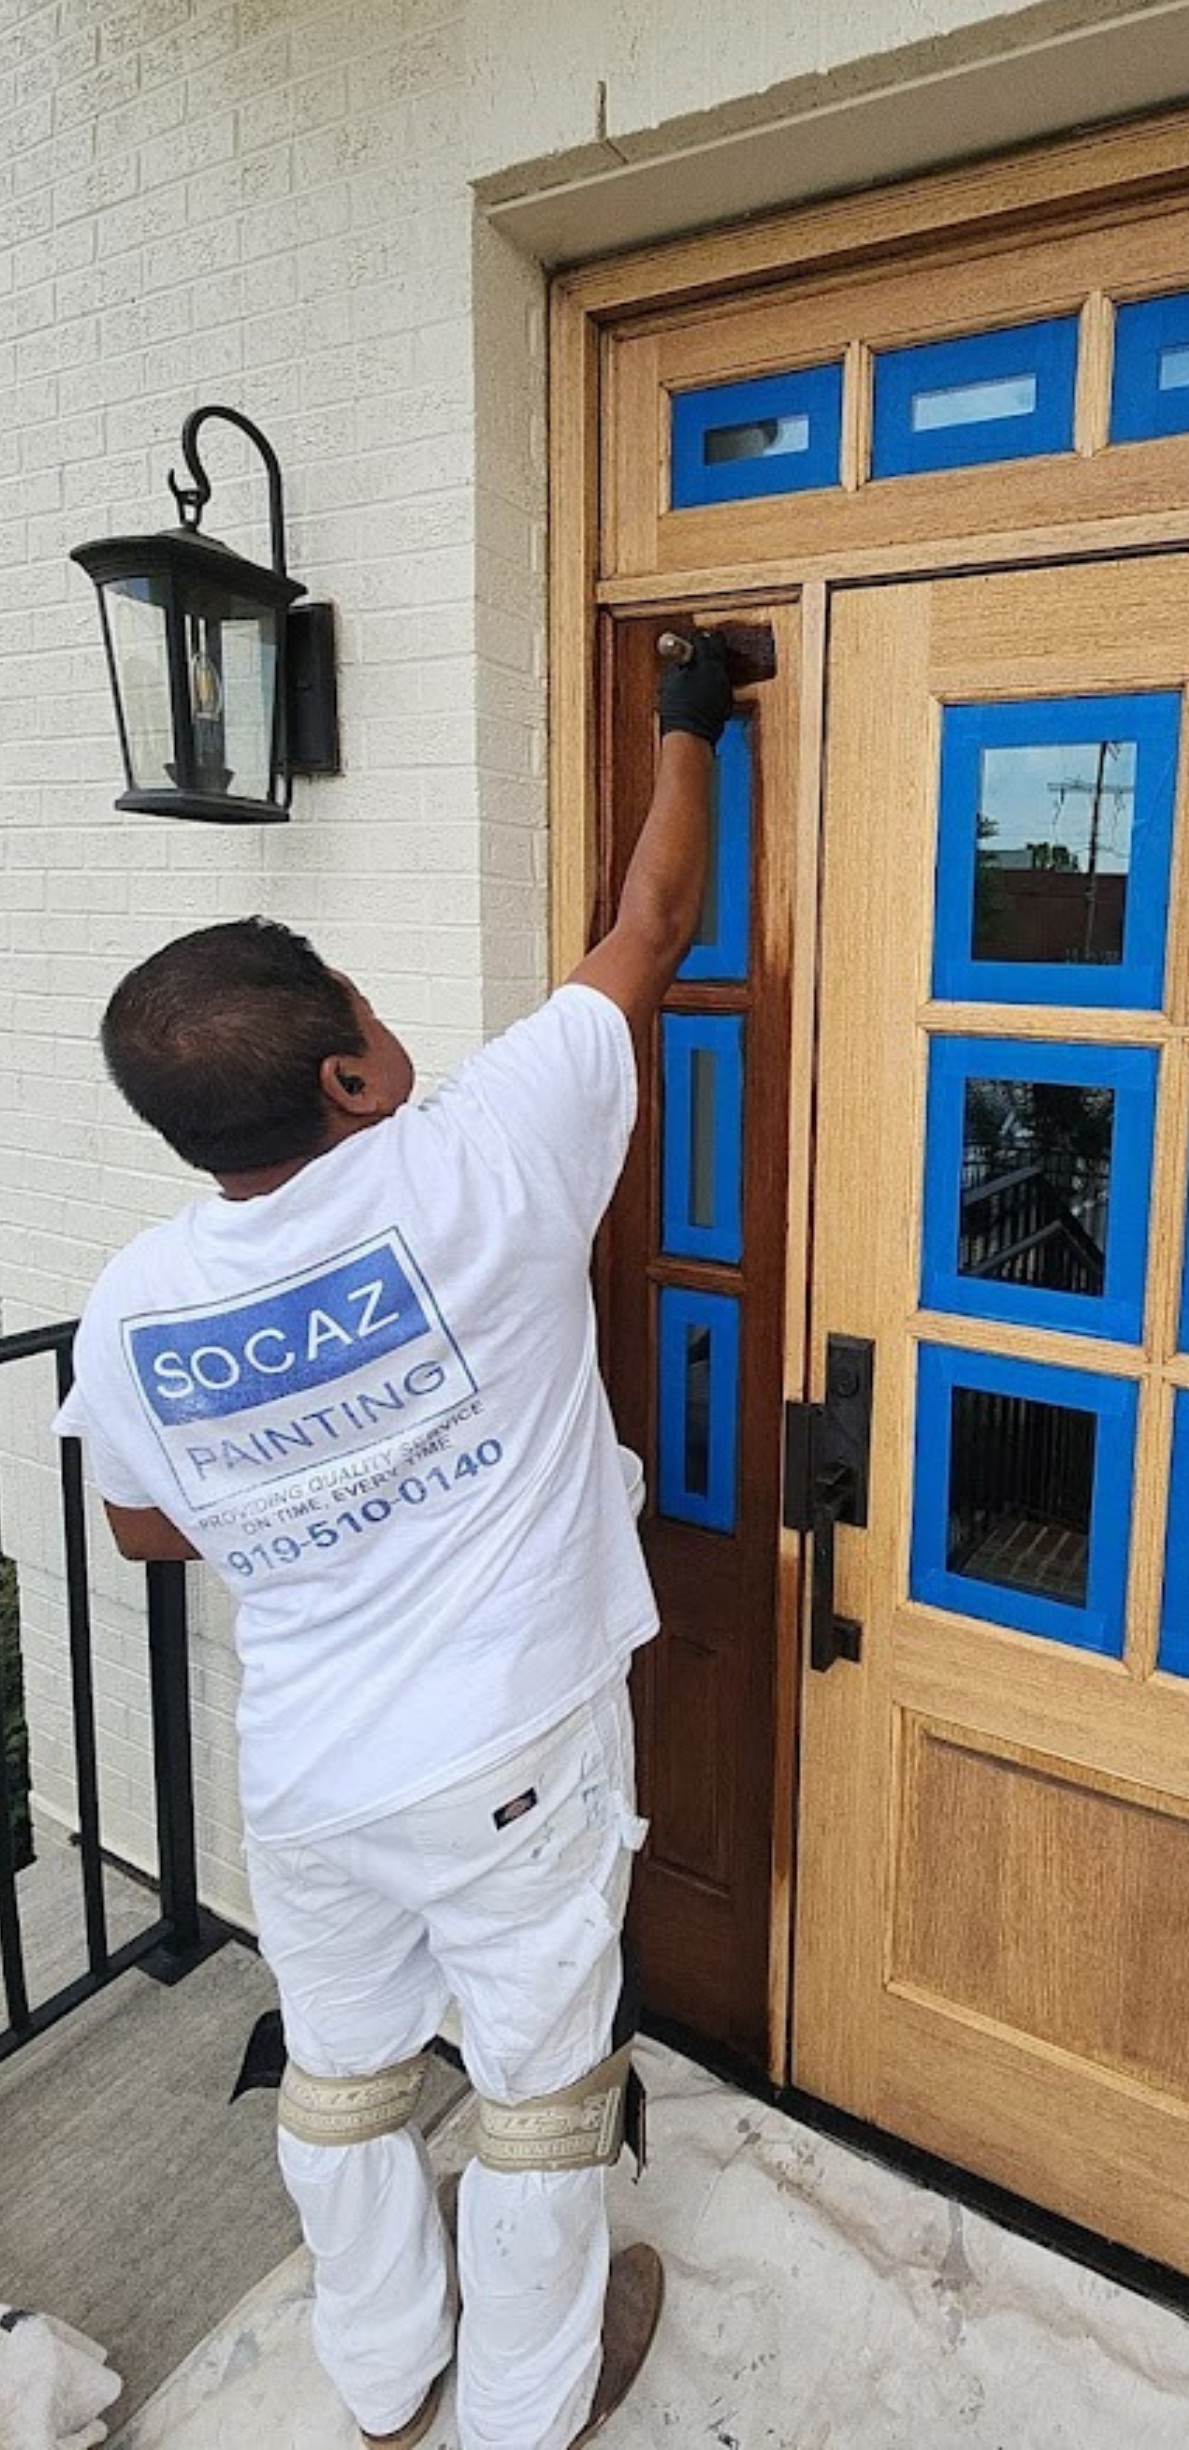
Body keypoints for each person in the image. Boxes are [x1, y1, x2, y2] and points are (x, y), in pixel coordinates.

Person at [49, 633, 739, 2450]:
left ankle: (379, 2380)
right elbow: (653, 923)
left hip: (313, 1773)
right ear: (349, 1077)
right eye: (363, 999)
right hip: (509, 1753)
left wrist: (299, 1470)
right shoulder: (485, 1156)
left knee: (345, 2080)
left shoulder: (132, 1302)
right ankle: (523, 2405)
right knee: (535, 2092)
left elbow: (138, 1523)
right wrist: (690, 714)